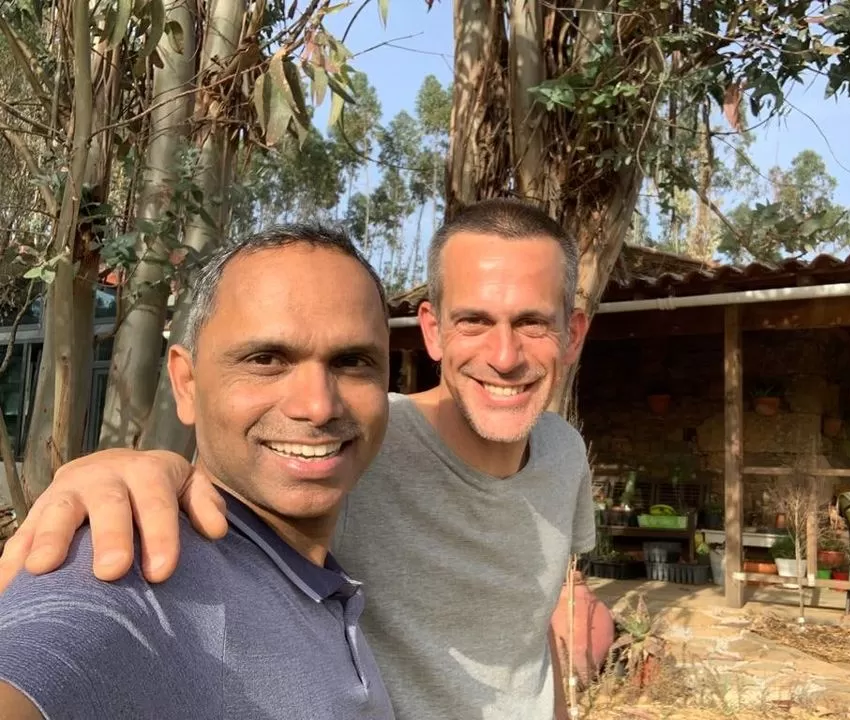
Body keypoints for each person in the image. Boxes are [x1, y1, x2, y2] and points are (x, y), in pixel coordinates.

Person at [1, 198, 596, 720]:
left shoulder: (564, 453)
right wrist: (128, 466)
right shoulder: (366, 446)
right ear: (433, 331)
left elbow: (532, 619)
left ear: (572, 333)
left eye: (533, 324)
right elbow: (61, 642)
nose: (317, 406)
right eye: (266, 360)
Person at [0, 226, 395, 719]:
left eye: (353, 361)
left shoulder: (318, 577)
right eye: (266, 360)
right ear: (186, 383)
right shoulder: (127, 571)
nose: (318, 406)